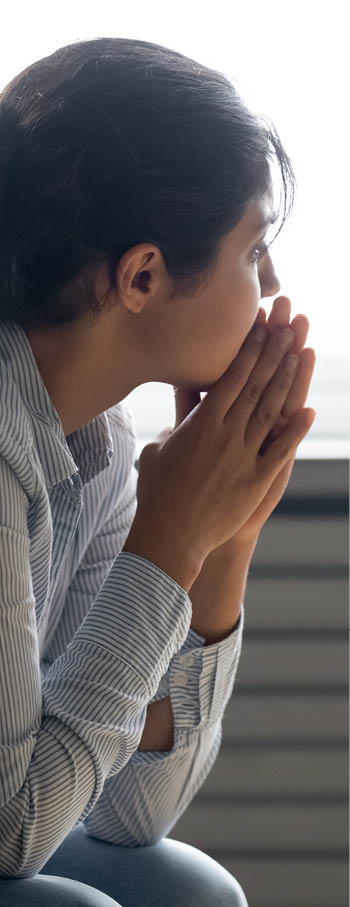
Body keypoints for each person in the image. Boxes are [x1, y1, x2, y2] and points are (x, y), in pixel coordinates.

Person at [0, 36, 316, 906]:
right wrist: (169, 544)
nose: (273, 282)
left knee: (186, 890)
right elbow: (14, 829)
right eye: (253, 249)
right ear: (142, 275)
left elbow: (129, 812)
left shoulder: (92, 444)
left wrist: (222, 543)